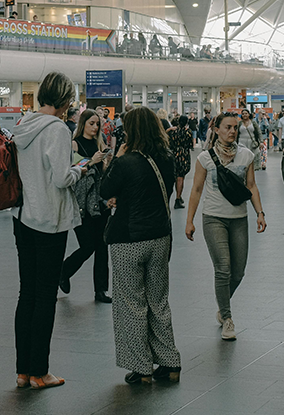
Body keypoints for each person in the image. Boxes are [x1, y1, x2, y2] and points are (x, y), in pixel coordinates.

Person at [9, 71, 85, 390]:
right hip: (49, 221)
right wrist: (79, 170)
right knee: (45, 297)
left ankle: (23, 370)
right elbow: (59, 178)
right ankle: (40, 371)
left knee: (26, 294)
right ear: (65, 99)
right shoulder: (56, 129)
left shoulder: (24, 124)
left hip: (23, 217)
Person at [101, 106, 182, 384]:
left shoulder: (126, 161)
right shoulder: (167, 158)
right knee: (159, 300)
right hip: (160, 237)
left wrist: (116, 159)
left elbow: (105, 190)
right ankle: (170, 362)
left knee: (131, 303)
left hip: (128, 239)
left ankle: (142, 367)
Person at [185, 112, 266, 341]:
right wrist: (189, 220)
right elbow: (197, 190)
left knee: (238, 272)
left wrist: (259, 212)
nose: (232, 131)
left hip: (239, 218)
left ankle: (222, 304)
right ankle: (228, 318)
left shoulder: (246, 156)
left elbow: (251, 186)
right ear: (217, 129)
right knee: (223, 268)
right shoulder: (205, 158)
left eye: (235, 128)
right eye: (228, 127)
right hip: (213, 217)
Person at [60, 110, 112, 303]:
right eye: (91, 123)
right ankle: (64, 270)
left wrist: (106, 162)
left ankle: (101, 290)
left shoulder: (100, 143)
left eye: (97, 124)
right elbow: (75, 172)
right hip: (82, 204)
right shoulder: (75, 144)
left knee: (102, 247)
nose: (95, 127)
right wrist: (92, 161)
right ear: (83, 124)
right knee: (88, 245)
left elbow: (103, 174)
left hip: (100, 202)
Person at [168, 115, 193, 208]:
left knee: (177, 176)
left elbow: (169, 142)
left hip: (175, 154)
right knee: (181, 177)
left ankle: (178, 196)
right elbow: (190, 144)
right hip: (184, 155)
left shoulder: (173, 131)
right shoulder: (188, 132)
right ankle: (178, 198)